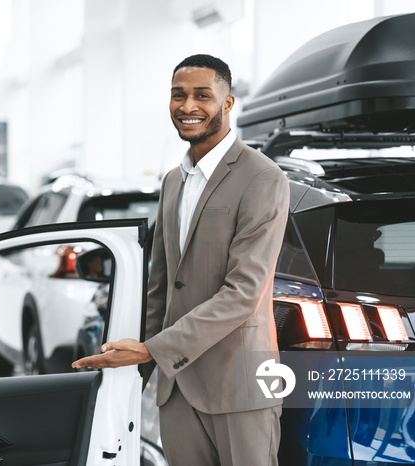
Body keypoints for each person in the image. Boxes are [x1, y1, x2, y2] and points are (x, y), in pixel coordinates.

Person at [72, 54, 290, 466]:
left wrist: (152, 350)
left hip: (239, 385)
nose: (187, 107)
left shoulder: (262, 177)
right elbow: (162, 286)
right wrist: (137, 378)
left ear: (227, 103)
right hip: (176, 390)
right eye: (179, 95)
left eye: (202, 96)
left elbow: (244, 293)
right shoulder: (174, 180)